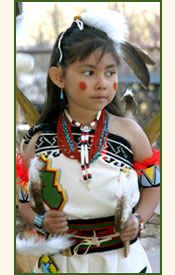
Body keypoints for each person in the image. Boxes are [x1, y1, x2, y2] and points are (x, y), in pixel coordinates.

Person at [17, 9, 160, 273]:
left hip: (123, 262)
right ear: (59, 77)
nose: (102, 83)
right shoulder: (38, 142)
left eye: (110, 72)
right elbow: (24, 201)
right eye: (88, 72)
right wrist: (42, 221)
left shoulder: (130, 132)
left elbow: (153, 187)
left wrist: (138, 220)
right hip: (64, 262)